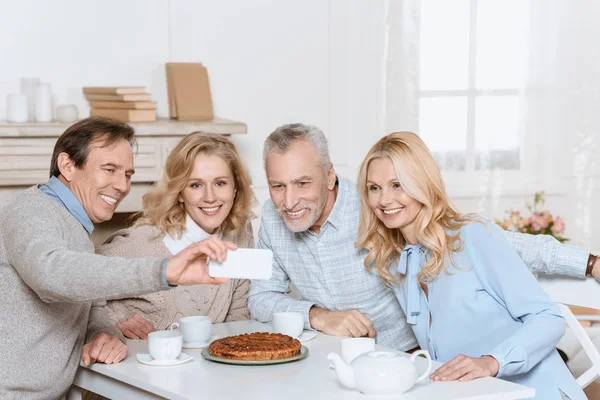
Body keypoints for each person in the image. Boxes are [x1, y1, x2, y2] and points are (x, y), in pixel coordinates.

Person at [247, 123, 599, 352]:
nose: (289, 201)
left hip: (406, 357)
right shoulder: (274, 223)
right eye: (278, 186)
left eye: (302, 183)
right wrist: (318, 315)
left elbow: (484, 240)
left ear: (328, 176)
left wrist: (589, 262)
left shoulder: (378, 207)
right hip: (326, 356)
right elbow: (261, 298)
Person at [0, 118, 236, 400]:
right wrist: (164, 271)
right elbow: (52, 275)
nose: (122, 185)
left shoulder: (75, 226)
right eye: (109, 169)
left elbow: (90, 304)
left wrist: (104, 333)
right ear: (67, 166)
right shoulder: (31, 210)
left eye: (127, 174)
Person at [355, 131, 584, 399]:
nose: (384, 200)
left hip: (535, 392)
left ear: (422, 184)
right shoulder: (397, 261)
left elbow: (548, 318)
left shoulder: (472, 236)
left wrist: (491, 361)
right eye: (374, 188)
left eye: (398, 184)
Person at [92, 132, 256, 339]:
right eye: (196, 185)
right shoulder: (140, 244)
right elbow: (75, 286)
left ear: (235, 188)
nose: (210, 197)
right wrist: (111, 322)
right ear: (180, 192)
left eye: (220, 183)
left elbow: (238, 317)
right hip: (136, 363)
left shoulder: (239, 233)